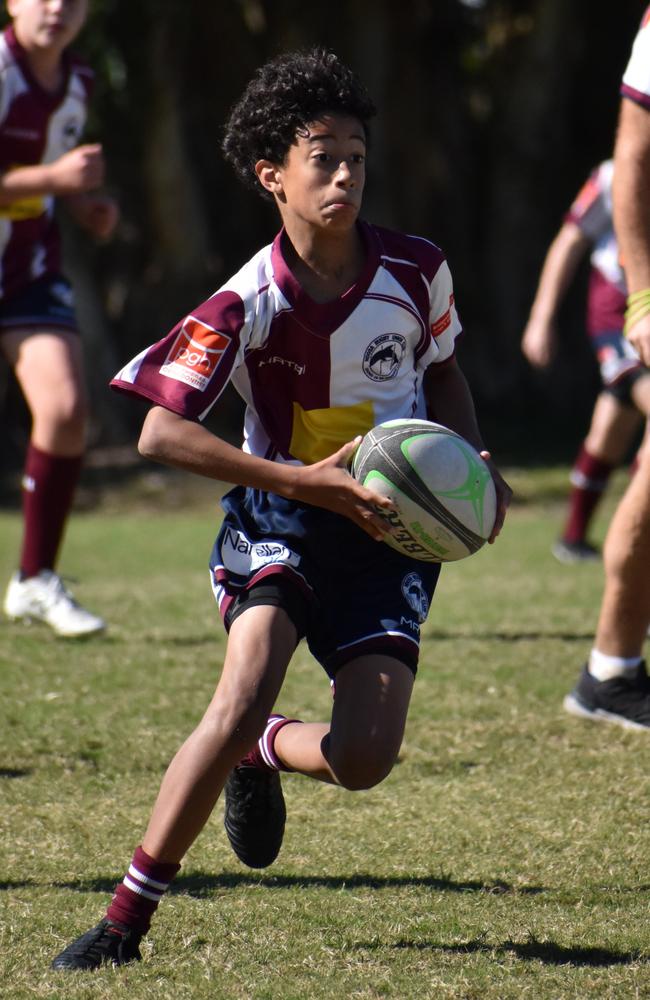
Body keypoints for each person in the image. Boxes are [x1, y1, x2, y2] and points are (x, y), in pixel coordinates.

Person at [50, 47, 511, 971]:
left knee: (366, 758)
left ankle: (261, 752)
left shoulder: (420, 273)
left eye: (357, 157)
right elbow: (157, 435)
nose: (345, 174)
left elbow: (447, 372)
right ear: (273, 177)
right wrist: (305, 483)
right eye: (321, 158)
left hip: (386, 542)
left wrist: (472, 471)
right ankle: (123, 922)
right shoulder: (248, 299)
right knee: (240, 689)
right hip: (283, 524)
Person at [0, 0, 119, 637]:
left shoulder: (78, 80)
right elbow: (47, 172)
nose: (56, 8)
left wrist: (86, 205)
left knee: (68, 411)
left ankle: (34, 580)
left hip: (26, 274)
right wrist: (55, 176)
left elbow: (55, 178)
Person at [563, 8, 650, 729]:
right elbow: (567, 244)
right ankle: (612, 666)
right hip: (622, 325)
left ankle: (612, 668)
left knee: (621, 439)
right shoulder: (609, 176)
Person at [521, 159, 650, 564]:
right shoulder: (615, 175)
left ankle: (575, 538)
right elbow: (569, 242)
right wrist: (541, 318)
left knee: (612, 425)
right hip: (620, 316)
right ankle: (637, 546)